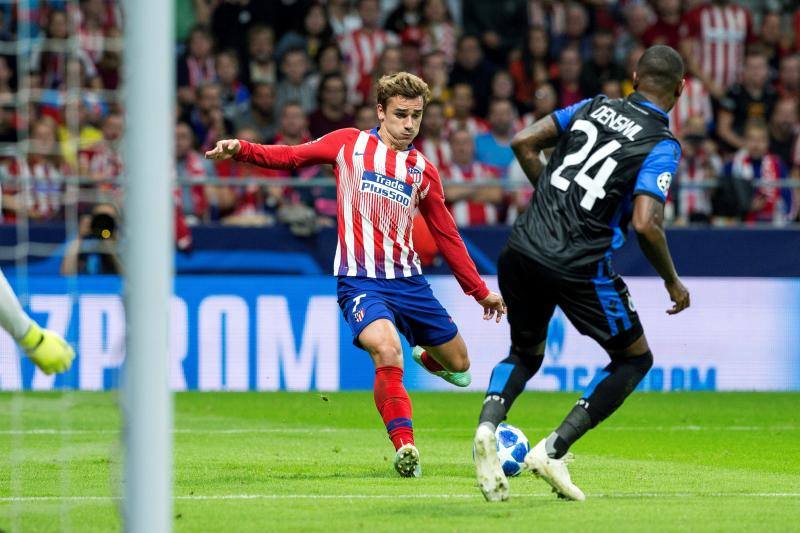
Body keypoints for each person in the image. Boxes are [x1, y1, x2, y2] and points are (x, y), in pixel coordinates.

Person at [206, 72, 506, 478]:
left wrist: (480, 291)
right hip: (361, 281)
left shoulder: (421, 169)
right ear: (380, 111)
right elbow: (291, 157)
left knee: (462, 366)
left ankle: (426, 355)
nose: (409, 124)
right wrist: (241, 149)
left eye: (416, 116)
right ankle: (406, 448)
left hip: (411, 283)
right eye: (401, 114)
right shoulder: (349, 143)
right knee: (386, 350)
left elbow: (447, 234)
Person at [472, 45, 691, 502]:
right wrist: (672, 280)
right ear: (681, 89)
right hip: (577, 262)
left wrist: (556, 201)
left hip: (522, 246)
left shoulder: (595, 105)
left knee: (525, 353)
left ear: (634, 76)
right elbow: (646, 223)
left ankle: (489, 427)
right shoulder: (661, 144)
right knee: (634, 359)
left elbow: (523, 141)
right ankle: (552, 450)